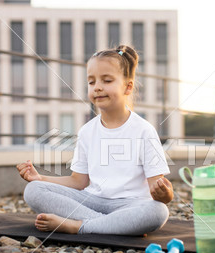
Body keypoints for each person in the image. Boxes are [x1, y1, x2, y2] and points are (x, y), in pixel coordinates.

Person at [16, 45, 173, 235]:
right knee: (33, 190)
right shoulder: (86, 131)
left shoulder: (144, 130)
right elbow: (79, 182)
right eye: (91, 82)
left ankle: (78, 226)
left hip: (130, 205)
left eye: (107, 80)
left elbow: (160, 191)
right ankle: (111, 225)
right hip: (91, 201)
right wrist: (40, 178)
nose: (97, 87)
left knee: (158, 212)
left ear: (128, 87)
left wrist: (165, 194)